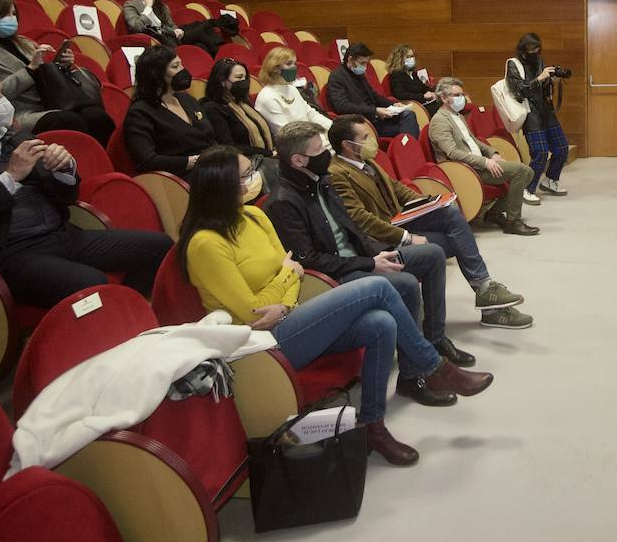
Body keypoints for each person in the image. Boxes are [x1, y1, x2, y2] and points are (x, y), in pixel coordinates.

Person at [179, 145, 493, 466]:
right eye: (246, 174)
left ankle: (373, 426)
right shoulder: (205, 244)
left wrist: (284, 293)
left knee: (381, 324)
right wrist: (286, 280)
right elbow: (254, 311)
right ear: (222, 184)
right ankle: (434, 366)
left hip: (290, 315)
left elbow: (295, 271)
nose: (255, 178)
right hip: (259, 347)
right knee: (377, 287)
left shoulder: (254, 216)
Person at [0, 64, 173, 307]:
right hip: (7, 250)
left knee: (160, 246)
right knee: (90, 282)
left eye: (0, 92)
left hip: (60, 234)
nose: (3, 102)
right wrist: (10, 178)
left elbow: (67, 197)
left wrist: (64, 171)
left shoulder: (14, 135)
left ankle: (129, 310)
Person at [265, 121, 478, 404]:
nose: (327, 153)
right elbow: (312, 260)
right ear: (298, 160)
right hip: (334, 276)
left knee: (433, 255)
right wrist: (369, 264)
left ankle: (435, 340)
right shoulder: (283, 202)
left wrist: (377, 256)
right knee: (405, 284)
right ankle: (413, 375)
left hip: (361, 258)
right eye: (319, 149)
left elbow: (352, 228)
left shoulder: (321, 181)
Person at [326, 115, 534, 329]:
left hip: (398, 221)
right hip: (381, 239)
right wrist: (407, 238)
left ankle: (485, 289)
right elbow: (360, 219)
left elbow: (397, 188)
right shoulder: (337, 174)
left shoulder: (367, 162)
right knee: (456, 240)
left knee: (450, 214)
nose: (372, 141)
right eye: (365, 137)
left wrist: (429, 203)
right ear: (347, 145)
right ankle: (487, 299)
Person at [0, 0, 114, 143]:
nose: (12, 19)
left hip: (51, 102)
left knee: (97, 117)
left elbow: (43, 75)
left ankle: (101, 161)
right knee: (68, 121)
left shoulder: (24, 42)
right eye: (4, 15)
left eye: (13, 14)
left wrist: (61, 64)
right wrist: (29, 70)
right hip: (18, 112)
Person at [428, 78, 538, 235]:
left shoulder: (457, 116)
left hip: (477, 163)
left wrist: (493, 154)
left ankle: (493, 212)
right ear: (444, 98)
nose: (462, 98)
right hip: (464, 170)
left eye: (462, 94)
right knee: (523, 172)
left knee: (526, 173)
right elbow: (452, 153)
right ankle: (512, 222)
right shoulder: (439, 121)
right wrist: (485, 162)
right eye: (457, 95)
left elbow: (474, 141)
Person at [123, 46, 217, 176]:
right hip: (179, 176)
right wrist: (191, 161)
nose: (182, 70)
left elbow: (210, 138)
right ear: (156, 74)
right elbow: (146, 161)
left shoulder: (187, 99)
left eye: (181, 64)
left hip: (212, 167)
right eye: (175, 66)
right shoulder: (140, 112)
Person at [506, 32, 570, 204]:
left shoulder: (540, 61)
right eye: (531, 49)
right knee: (540, 152)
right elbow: (519, 90)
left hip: (545, 110)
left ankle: (550, 181)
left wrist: (552, 80)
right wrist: (540, 78)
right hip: (529, 112)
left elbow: (543, 88)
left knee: (562, 148)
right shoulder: (513, 64)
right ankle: (527, 188)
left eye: (537, 48)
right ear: (523, 48)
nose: (535, 52)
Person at [199, 58, 277, 189]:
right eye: (239, 77)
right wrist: (268, 153)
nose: (244, 81)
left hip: (266, 155)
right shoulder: (212, 108)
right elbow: (229, 147)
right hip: (244, 164)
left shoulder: (242, 102)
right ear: (222, 81)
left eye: (245, 77)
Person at [122, 0, 232, 56]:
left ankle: (217, 58)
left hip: (172, 36)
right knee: (200, 30)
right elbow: (136, 26)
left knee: (201, 44)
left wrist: (176, 30)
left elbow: (171, 24)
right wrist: (148, 7)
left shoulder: (161, 6)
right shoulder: (130, 5)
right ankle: (221, 56)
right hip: (157, 40)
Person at [326, 42, 419, 138]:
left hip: (376, 117)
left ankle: (407, 144)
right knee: (409, 126)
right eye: (362, 63)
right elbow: (342, 106)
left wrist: (392, 104)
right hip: (363, 123)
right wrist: (375, 110)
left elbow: (374, 95)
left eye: (366, 63)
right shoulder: (336, 77)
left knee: (408, 114)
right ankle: (407, 145)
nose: (365, 67)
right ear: (350, 59)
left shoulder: (359, 74)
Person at [254, 47, 332, 134]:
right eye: (289, 64)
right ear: (274, 68)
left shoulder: (292, 89)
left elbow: (310, 114)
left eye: (294, 63)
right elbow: (286, 132)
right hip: (296, 140)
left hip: (310, 135)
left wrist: (333, 128)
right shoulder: (267, 97)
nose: (294, 67)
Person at [386, 43, 439, 116]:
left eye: (412, 56)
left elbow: (422, 87)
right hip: (411, 106)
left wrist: (433, 93)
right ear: (399, 59)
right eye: (408, 57)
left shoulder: (412, 73)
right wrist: (423, 96)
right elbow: (400, 94)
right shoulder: (396, 74)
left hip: (421, 103)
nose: (411, 59)